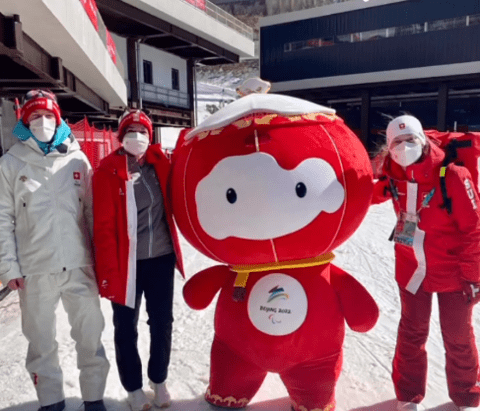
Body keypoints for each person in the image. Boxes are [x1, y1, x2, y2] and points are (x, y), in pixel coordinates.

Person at [0, 90, 110, 411]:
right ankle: (51, 402)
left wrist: (100, 262)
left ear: (59, 120)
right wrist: (9, 268)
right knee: (41, 343)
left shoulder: (77, 158)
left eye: (49, 116)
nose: (43, 122)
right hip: (34, 270)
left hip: (79, 265)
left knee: (90, 337)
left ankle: (94, 400)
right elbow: (2, 218)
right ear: (24, 121)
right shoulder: (11, 163)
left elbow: (91, 214)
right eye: (35, 116)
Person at [373, 115, 480, 411]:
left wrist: (474, 277)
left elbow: (474, 230)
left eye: (411, 140)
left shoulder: (453, 176)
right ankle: (408, 396)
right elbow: (366, 194)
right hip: (411, 270)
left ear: (423, 141)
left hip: (454, 273)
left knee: (458, 335)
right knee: (411, 333)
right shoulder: (392, 175)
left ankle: (467, 396)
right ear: (389, 148)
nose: (405, 147)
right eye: (397, 142)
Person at [92, 109, 184, 411]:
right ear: (121, 136)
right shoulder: (107, 170)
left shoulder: (161, 164)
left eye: (143, 131)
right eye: (131, 131)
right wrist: (105, 269)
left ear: (150, 136)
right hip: (125, 263)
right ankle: (132, 387)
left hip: (160, 258)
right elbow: (103, 226)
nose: (137, 136)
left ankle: (158, 380)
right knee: (125, 325)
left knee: (162, 322)